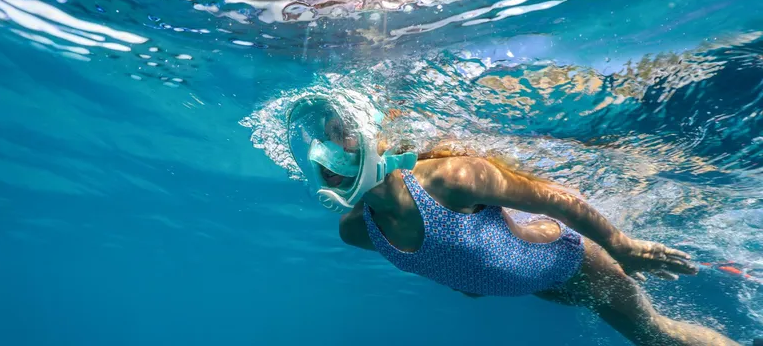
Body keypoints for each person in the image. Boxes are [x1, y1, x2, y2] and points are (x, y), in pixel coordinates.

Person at [286, 93, 743, 346]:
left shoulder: (450, 178)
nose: (324, 154)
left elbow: (555, 199)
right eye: (318, 147)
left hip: (576, 264)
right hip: (538, 286)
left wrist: (622, 246)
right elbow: (436, 255)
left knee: (658, 336)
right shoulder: (355, 230)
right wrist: (466, 278)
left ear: (371, 138)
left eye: (336, 136)